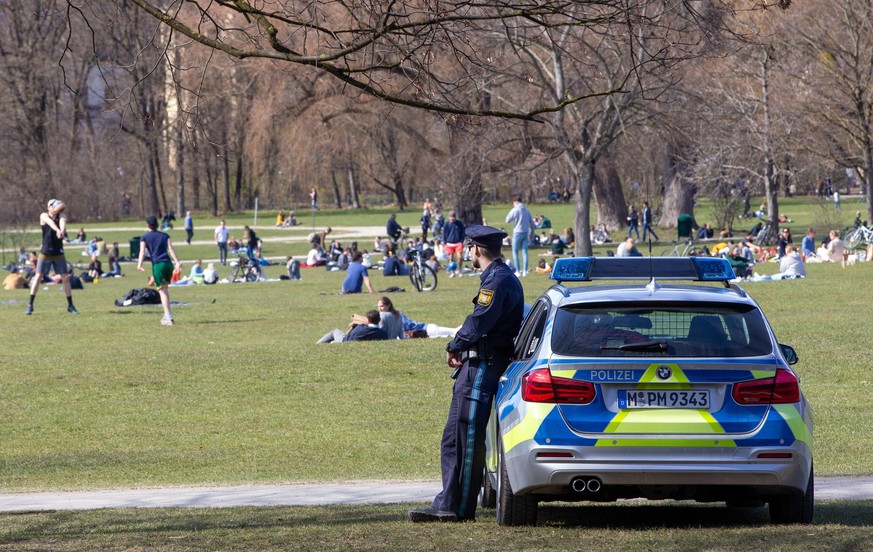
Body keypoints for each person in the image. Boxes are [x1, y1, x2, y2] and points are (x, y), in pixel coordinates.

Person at [409, 225, 524, 523]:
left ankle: (458, 509)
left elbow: (479, 322)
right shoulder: (497, 278)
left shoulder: (497, 281)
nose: (466, 253)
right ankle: (447, 501)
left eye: (468, 248)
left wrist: (454, 345)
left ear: (475, 249)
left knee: (468, 437)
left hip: (482, 367)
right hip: (474, 367)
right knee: (453, 437)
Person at [26, 199, 79, 315]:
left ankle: (70, 305)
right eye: (53, 205)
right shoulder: (44, 215)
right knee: (38, 276)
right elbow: (50, 223)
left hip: (58, 253)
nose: (56, 208)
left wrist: (62, 231)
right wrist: (57, 230)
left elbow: (62, 222)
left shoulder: (62, 215)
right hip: (46, 252)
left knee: (65, 277)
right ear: (49, 207)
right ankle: (30, 305)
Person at [137, 215, 182, 326]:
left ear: (148, 225)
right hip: (168, 264)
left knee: (162, 291)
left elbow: (142, 252)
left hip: (158, 264)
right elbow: (170, 249)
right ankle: (166, 315)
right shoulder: (165, 235)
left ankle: (168, 316)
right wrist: (177, 262)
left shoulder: (144, 237)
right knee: (165, 289)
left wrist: (139, 265)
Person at [505, 195, 534, 278]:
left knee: (515, 252)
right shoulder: (526, 210)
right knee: (525, 252)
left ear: (515, 202)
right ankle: (525, 271)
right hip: (525, 232)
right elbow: (532, 223)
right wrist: (532, 233)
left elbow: (507, 220)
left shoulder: (515, 210)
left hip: (517, 232)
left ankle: (518, 270)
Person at [317, 310, 389, 343]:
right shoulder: (384, 333)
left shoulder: (361, 328)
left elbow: (349, 336)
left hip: (344, 341)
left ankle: (317, 344)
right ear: (379, 320)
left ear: (368, 320)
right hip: (349, 341)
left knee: (335, 331)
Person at [443, 211, 465, 277]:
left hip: (458, 243)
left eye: (453, 217)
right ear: (449, 217)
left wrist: (462, 241)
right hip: (449, 243)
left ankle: (460, 269)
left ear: (455, 217)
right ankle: (452, 272)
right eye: (451, 217)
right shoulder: (446, 224)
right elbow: (444, 234)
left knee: (460, 257)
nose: (452, 218)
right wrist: (445, 242)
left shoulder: (459, 223)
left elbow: (463, 233)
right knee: (451, 258)